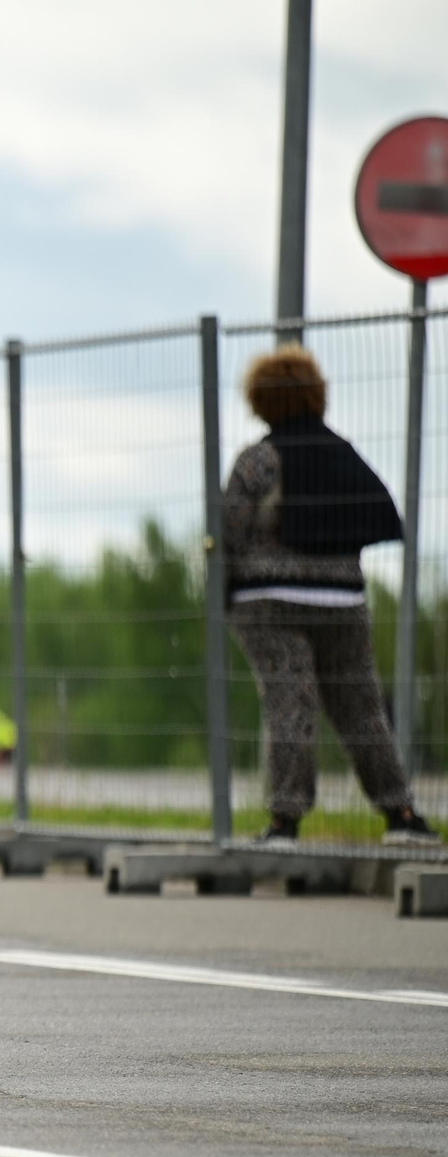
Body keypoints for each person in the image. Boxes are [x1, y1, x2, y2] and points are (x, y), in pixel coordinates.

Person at [222, 345, 434, 845]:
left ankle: (284, 822)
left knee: (289, 702)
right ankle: (402, 815)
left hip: (269, 601)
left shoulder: (259, 460)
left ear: (260, 400)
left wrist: (227, 592)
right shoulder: (344, 454)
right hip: (343, 601)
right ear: (317, 394)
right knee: (362, 706)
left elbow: (229, 529)